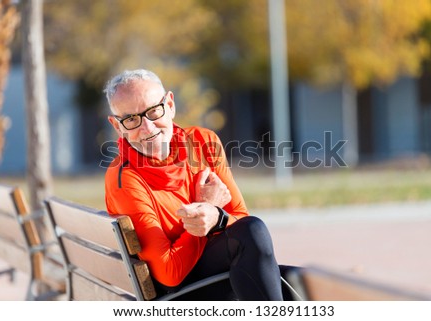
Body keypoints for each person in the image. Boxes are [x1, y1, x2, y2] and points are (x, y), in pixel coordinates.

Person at [103, 69, 300, 300]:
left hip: (221, 269)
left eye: (154, 111)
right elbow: (170, 274)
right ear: (118, 126)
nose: (147, 128)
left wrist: (216, 217)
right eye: (131, 119)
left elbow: (240, 216)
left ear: (170, 104)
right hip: (180, 293)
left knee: (306, 282)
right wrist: (205, 207)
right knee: (253, 234)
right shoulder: (125, 178)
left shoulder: (203, 141)